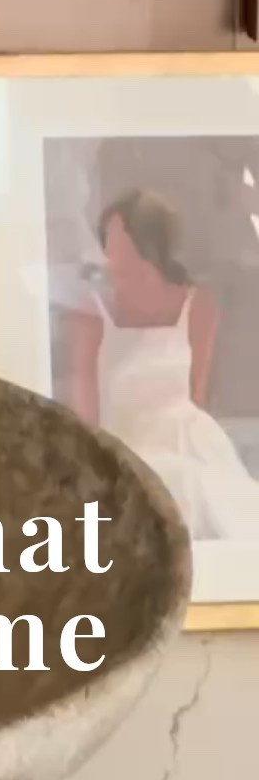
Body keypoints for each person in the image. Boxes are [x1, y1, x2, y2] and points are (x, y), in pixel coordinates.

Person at [63, 188, 259, 540]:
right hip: (126, 449)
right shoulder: (92, 313)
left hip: (191, 443)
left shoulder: (198, 305)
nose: (110, 251)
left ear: (149, 244)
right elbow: (84, 416)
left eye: (119, 239)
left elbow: (197, 394)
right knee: (164, 483)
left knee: (198, 490)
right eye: (107, 240)